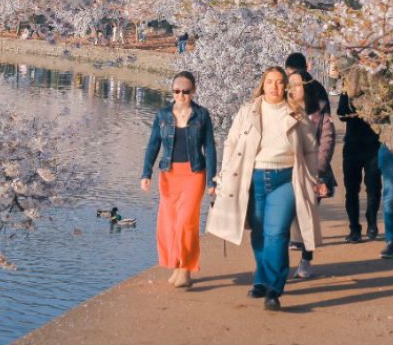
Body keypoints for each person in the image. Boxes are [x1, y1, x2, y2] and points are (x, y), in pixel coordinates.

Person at [206, 67, 323, 311]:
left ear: (285, 87)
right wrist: (222, 176)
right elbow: (231, 143)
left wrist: (313, 178)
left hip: (286, 179)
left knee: (277, 233)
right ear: (263, 84)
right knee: (258, 233)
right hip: (254, 177)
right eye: (269, 82)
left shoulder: (297, 114)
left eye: (280, 82)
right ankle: (260, 277)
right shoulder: (247, 112)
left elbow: (311, 150)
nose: (274, 87)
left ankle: (273, 288)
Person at [141, 71, 217, 288]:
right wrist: (146, 173)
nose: (181, 95)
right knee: (170, 224)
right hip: (169, 175)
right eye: (176, 91)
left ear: (193, 92)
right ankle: (176, 264)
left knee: (186, 222)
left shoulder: (202, 115)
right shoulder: (162, 115)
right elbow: (153, 144)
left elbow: (210, 148)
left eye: (185, 91)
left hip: (194, 174)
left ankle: (186, 269)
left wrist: (212, 180)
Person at [286, 69, 335, 279]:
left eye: (297, 84)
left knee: (308, 216)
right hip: (286, 171)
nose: (293, 89)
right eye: (290, 85)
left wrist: (318, 171)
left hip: (313, 172)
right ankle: (284, 259)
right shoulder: (283, 110)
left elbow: (327, 141)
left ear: (306, 86)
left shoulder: (319, 111)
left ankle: (306, 259)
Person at [337, 91, 382, 242]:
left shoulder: (376, 89)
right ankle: (354, 228)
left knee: (374, 188)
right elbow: (341, 114)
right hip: (352, 146)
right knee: (351, 190)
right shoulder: (347, 91)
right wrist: (357, 111)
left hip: (374, 146)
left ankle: (372, 221)